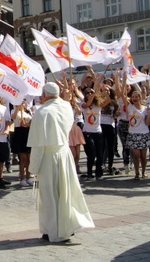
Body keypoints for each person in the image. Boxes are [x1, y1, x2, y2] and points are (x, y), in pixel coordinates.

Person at [27, 82, 95, 243]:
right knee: (66, 193)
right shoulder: (66, 107)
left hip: (48, 157)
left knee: (49, 196)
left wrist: (33, 167)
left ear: (44, 94)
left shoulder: (41, 112)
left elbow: (38, 144)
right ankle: (66, 227)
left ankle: (52, 231)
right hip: (64, 154)